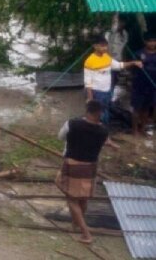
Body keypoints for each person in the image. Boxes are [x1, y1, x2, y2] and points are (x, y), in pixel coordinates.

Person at [56, 99, 118, 244]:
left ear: (87, 110)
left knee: (71, 199)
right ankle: (76, 224)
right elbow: (104, 142)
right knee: (83, 198)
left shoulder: (72, 123)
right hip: (90, 166)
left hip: (73, 164)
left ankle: (86, 233)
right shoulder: (103, 131)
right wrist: (111, 144)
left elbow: (60, 137)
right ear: (100, 113)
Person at [83, 35, 141, 125]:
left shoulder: (106, 57)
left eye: (106, 45)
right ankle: (97, 131)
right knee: (98, 113)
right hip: (97, 92)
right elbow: (88, 81)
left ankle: (104, 130)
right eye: (102, 46)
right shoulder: (89, 61)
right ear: (95, 46)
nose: (105, 48)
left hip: (107, 91)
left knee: (105, 111)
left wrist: (133, 63)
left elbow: (118, 65)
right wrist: (90, 97)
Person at [131, 32, 156, 137]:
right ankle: (135, 130)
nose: (152, 43)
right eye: (150, 41)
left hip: (153, 85)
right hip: (140, 85)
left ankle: (143, 128)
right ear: (145, 42)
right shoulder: (138, 54)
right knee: (137, 108)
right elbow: (133, 69)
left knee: (146, 108)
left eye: (154, 41)